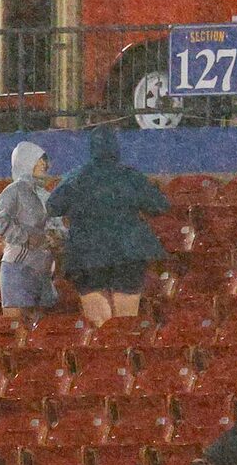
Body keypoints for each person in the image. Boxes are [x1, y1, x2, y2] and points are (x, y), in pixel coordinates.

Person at [46, 127, 167, 326]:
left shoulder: (76, 177)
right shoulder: (130, 176)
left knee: (99, 322)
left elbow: (53, 206)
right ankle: (124, 347)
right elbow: (159, 206)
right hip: (128, 252)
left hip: (86, 255)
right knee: (126, 321)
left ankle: (107, 347)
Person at [0, 141, 57, 318]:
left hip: (43, 269)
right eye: (38, 159)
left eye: (44, 160)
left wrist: (56, 236)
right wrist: (25, 237)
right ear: (26, 161)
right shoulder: (15, 190)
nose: (43, 164)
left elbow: (55, 225)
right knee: (18, 327)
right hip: (19, 268)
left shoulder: (44, 195)